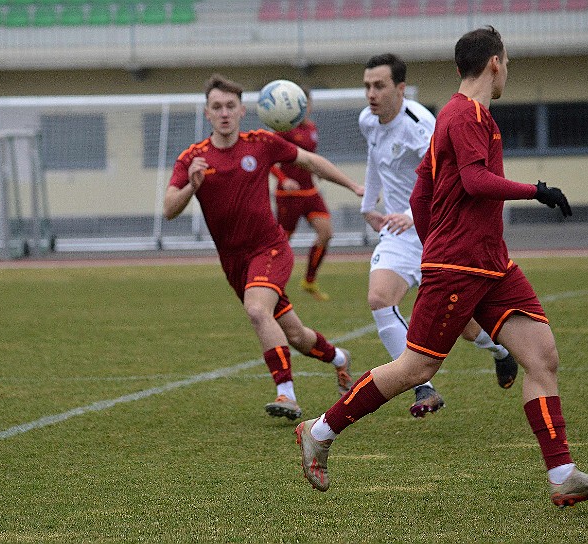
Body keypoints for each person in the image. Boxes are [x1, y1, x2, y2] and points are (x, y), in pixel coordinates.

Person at [295, 28, 588, 508]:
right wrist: (536, 192)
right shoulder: (466, 114)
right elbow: (474, 180)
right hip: (461, 265)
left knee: (541, 356)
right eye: (506, 63)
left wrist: (435, 245)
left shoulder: (452, 115)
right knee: (416, 367)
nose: (506, 71)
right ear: (495, 63)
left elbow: (419, 195)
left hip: (490, 263)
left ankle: (562, 473)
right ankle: (319, 433)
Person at [164, 74, 365, 421]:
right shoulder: (193, 159)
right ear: (207, 113)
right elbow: (169, 209)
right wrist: (191, 187)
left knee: (257, 310)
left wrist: (352, 186)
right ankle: (339, 359)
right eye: (217, 107)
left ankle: (286, 394)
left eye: (230, 106)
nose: (224, 112)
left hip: (270, 249)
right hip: (234, 263)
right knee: (297, 335)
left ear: (243, 111)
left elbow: (310, 161)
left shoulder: (261, 143)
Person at [359, 53, 518, 419]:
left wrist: (411, 215)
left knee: (462, 323)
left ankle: (499, 350)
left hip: (434, 229)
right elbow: (374, 160)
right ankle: (422, 386)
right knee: (380, 298)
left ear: (400, 89)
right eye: (367, 86)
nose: (371, 93)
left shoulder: (421, 124)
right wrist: (369, 205)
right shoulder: (368, 120)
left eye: (379, 85)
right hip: (399, 233)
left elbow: (445, 179)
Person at [271, 88, 334, 301]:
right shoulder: (284, 129)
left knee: (326, 233)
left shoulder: (312, 128)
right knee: (282, 242)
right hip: (288, 195)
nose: (305, 108)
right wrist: (283, 179)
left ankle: (309, 281)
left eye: (307, 103)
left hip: (310, 191)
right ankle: (271, 283)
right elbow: (268, 159)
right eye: (300, 104)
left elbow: (311, 158)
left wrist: (320, 171)